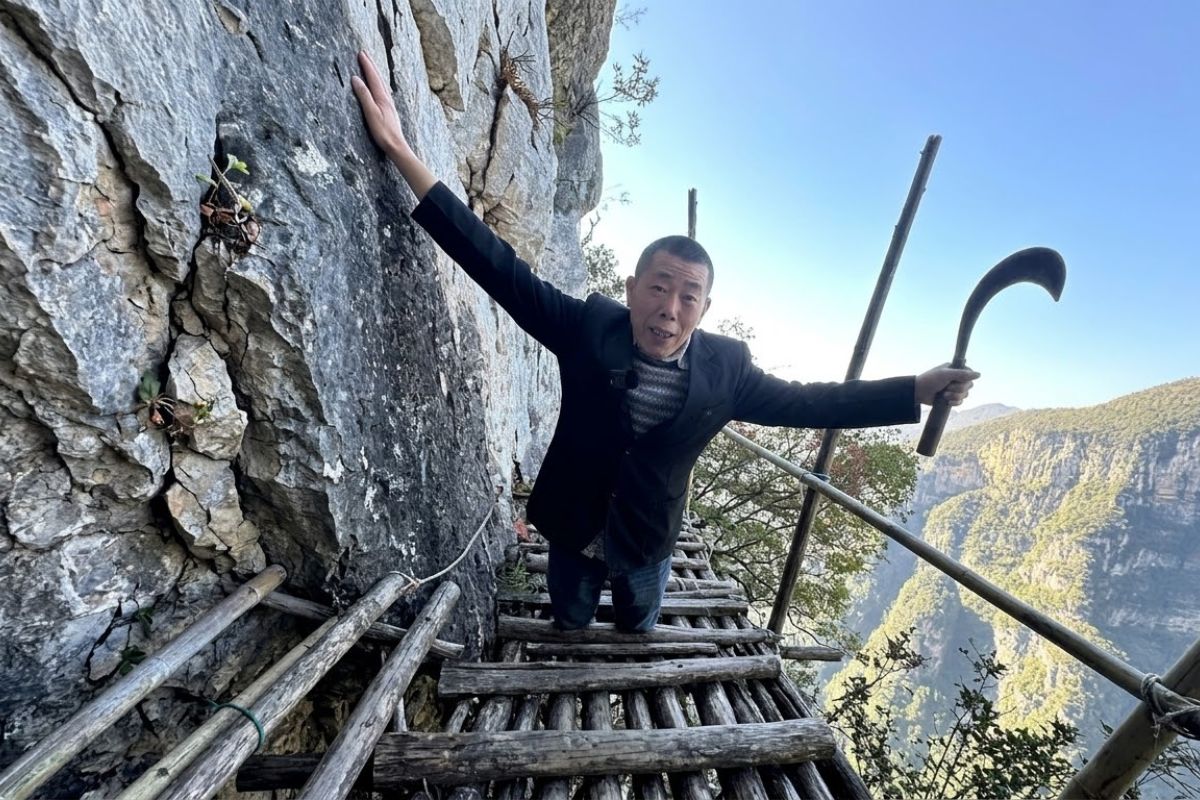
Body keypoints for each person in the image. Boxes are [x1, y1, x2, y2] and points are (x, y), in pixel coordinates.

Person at [350, 51, 977, 633]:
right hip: (572, 524)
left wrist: (915, 390)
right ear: (631, 288)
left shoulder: (727, 370)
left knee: (638, 624)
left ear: (705, 308)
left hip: (648, 535)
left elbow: (815, 403)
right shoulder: (589, 328)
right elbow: (496, 266)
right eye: (658, 288)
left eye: (688, 297)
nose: (669, 311)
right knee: (567, 621)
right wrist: (405, 152)